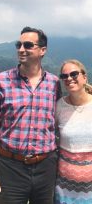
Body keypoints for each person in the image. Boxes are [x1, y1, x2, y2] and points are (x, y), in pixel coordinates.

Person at [0, 26, 61, 204]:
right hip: (10, 167)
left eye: (27, 45)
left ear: (42, 50)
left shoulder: (54, 83)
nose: (21, 49)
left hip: (46, 166)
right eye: (19, 45)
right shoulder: (1, 81)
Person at [55, 59, 92, 204]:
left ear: (84, 77)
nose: (69, 78)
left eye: (74, 74)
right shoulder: (59, 106)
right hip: (64, 188)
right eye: (64, 76)